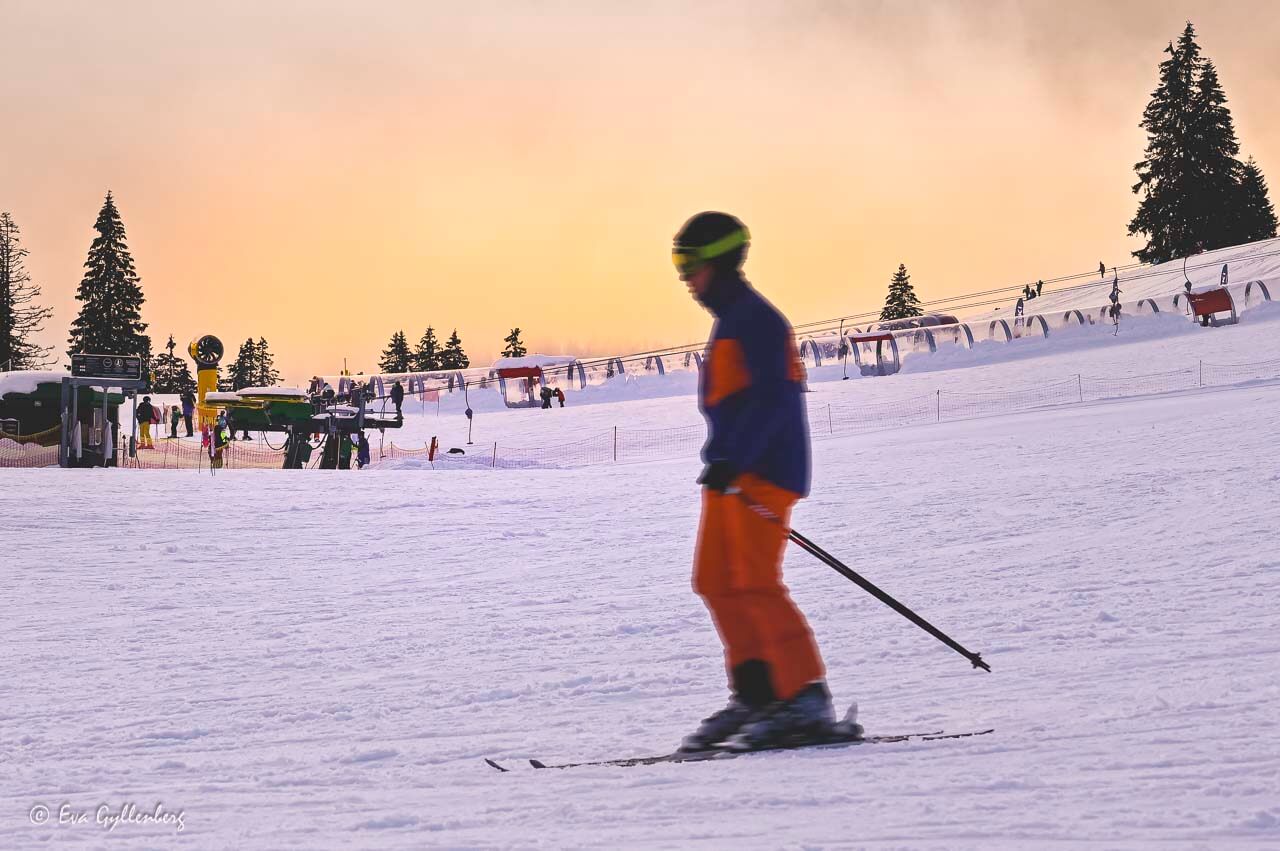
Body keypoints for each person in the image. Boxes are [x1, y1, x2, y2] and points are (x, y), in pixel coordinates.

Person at [672, 211, 833, 753]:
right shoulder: (732, 319)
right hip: (729, 472)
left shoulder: (757, 321)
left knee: (755, 582)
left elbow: (773, 401)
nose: (684, 278)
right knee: (715, 580)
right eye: (679, 265)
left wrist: (737, 459)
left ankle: (805, 698)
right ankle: (760, 693)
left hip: (762, 471)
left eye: (689, 264)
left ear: (718, 260)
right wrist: (722, 460)